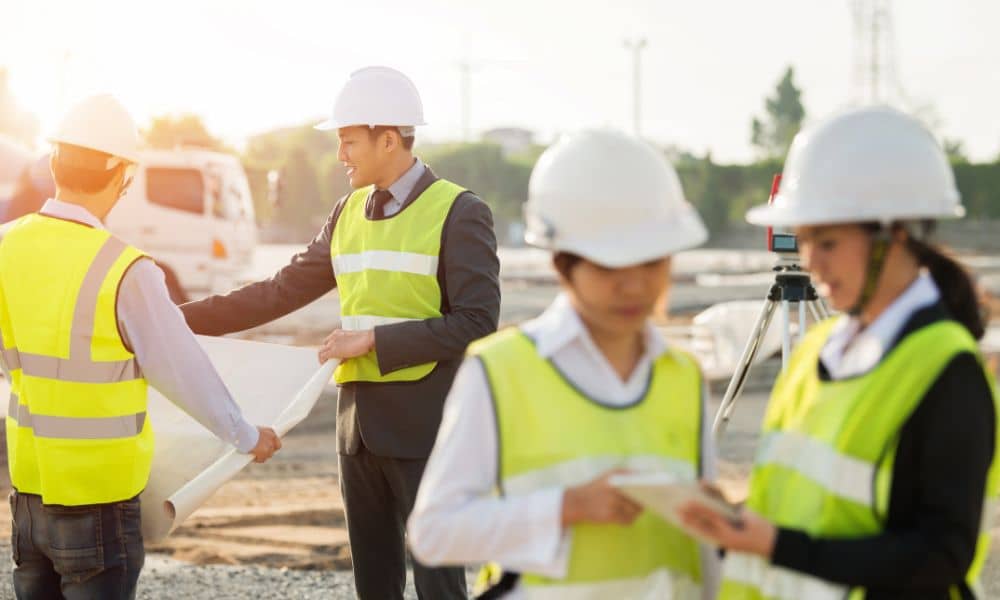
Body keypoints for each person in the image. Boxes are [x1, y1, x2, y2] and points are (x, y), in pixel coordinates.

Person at [180, 66, 500, 599]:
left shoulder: (460, 212)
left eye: (349, 141)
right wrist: (174, 320)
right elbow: (278, 292)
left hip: (427, 428)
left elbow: (477, 323)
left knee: (439, 586)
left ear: (389, 139)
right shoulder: (347, 212)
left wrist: (373, 340)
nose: (340, 155)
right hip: (357, 429)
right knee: (373, 585)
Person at [678, 106, 999, 599]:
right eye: (805, 241)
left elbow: (941, 556)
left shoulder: (948, 371)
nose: (811, 262)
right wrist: (734, 519)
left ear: (896, 234)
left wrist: (781, 546)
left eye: (827, 242)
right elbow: (803, 504)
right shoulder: (817, 350)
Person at [408, 129, 720, 599]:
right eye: (610, 267)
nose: (635, 286)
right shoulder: (501, 371)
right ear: (562, 264)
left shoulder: (684, 377)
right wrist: (566, 507)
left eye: (652, 264)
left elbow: (703, 559)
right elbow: (434, 532)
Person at [0, 94, 280, 600]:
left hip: (28, 494)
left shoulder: (6, 244)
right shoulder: (125, 269)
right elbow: (183, 371)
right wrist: (245, 435)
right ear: (123, 176)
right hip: (98, 501)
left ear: (54, 163)